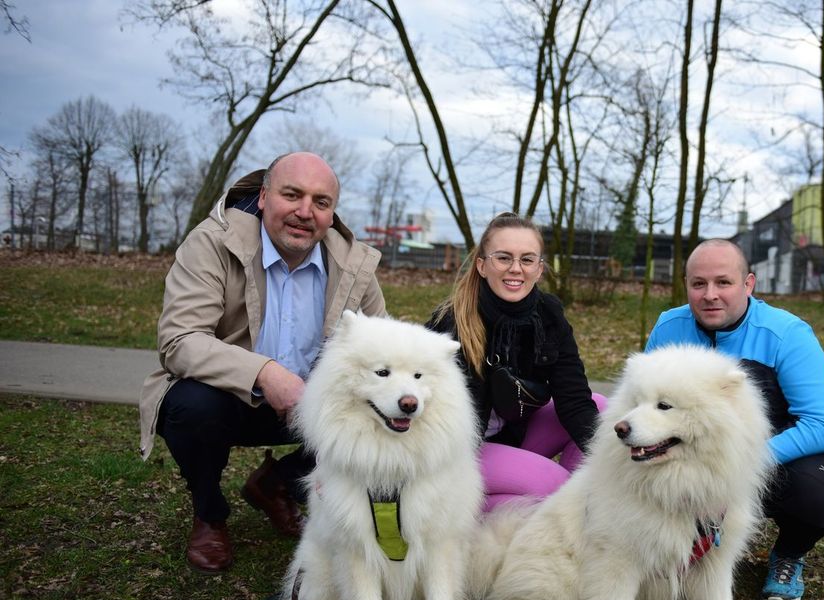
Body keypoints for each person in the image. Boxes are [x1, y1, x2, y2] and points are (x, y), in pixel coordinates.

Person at [138, 152, 386, 574]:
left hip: (311, 405)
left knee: (383, 410)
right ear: (265, 196)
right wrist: (265, 374)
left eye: (321, 202)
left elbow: (381, 349)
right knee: (190, 406)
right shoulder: (212, 242)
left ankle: (276, 485)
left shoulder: (353, 264)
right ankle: (210, 515)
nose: (304, 212)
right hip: (229, 397)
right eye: (292, 195)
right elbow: (179, 340)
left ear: (331, 212)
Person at [645, 239, 824, 600]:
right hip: (691, 450)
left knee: (817, 492)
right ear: (686, 284)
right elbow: (645, 402)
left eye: (724, 283)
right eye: (698, 284)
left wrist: (744, 461)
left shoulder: (788, 334)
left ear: (748, 284)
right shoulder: (668, 327)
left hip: (768, 456)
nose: (710, 295)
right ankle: (674, 550)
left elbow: (818, 424)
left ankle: (788, 554)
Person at [428, 212, 602, 510]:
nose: (516, 269)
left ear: (540, 269)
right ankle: (482, 509)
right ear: (482, 265)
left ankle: (587, 512)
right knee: (553, 484)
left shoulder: (548, 315)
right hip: (459, 455)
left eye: (527, 259)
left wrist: (617, 467)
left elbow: (574, 400)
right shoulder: (451, 324)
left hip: (512, 435)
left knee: (600, 409)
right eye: (504, 258)